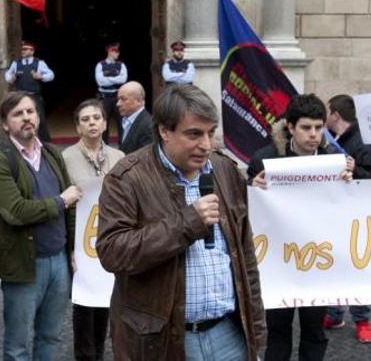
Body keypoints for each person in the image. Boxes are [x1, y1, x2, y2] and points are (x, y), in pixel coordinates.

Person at [97, 84, 266, 360]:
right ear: (165, 130)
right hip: (162, 341)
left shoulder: (225, 170)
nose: (206, 145)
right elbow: (112, 252)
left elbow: (246, 258)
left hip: (230, 335)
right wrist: (187, 223)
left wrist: (256, 336)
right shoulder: (126, 179)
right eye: (194, 134)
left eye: (211, 133)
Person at [248, 94, 354, 361]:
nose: (314, 134)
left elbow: (350, 207)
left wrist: (349, 183)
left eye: (319, 127)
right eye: (306, 128)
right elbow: (243, 207)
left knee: (314, 331)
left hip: (318, 262)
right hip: (278, 262)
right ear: (290, 127)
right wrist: (251, 187)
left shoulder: (335, 161)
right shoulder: (264, 160)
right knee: (278, 332)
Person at [0, 92, 82, 360]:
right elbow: (14, 212)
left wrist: (73, 249)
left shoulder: (51, 152)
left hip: (59, 262)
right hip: (23, 264)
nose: (26, 118)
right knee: (18, 346)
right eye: (18, 114)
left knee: (51, 336)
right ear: (5, 124)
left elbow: (71, 208)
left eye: (30, 111)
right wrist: (60, 202)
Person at [62, 99, 125, 361]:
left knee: (106, 297)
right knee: (83, 302)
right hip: (80, 237)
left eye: (96, 118)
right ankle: (86, 355)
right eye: (85, 119)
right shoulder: (65, 157)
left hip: (111, 235)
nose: (92, 123)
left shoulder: (118, 157)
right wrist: (69, 249)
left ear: (104, 122)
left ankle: (100, 350)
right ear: (77, 127)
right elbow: (62, 201)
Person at [322, 94, 371, 343]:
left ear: (335, 114)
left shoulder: (365, 141)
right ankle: (335, 313)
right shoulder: (328, 140)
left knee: (358, 267)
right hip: (335, 213)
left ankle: (363, 319)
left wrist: (353, 168)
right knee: (333, 264)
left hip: (358, 218)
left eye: (327, 112)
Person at [5, 40, 55, 142]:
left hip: (34, 96)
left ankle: (46, 144)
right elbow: (7, 76)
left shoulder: (39, 63)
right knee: (20, 119)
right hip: (20, 97)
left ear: (32, 51)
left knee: (40, 120)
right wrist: (12, 77)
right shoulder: (16, 64)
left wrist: (41, 76)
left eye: (25, 49)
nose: (22, 51)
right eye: (22, 49)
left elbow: (51, 75)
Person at [95, 42, 128, 143]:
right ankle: (103, 145)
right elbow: (100, 81)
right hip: (105, 98)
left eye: (118, 51)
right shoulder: (100, 65)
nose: (118, 53)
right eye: (115, 51)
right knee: (103, 122)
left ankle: (123, 145)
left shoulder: (121, 65)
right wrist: (115, 79)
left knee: (122, 123)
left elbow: (123, 79)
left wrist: (108, 79)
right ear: (109, 51)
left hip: (118, 97)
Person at [116, 81, 154, 154]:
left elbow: (145, 160)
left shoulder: (149, 126)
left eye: (123, 99)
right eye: (118, 99)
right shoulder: (125, 120)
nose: (118, 104)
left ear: (139, 101)